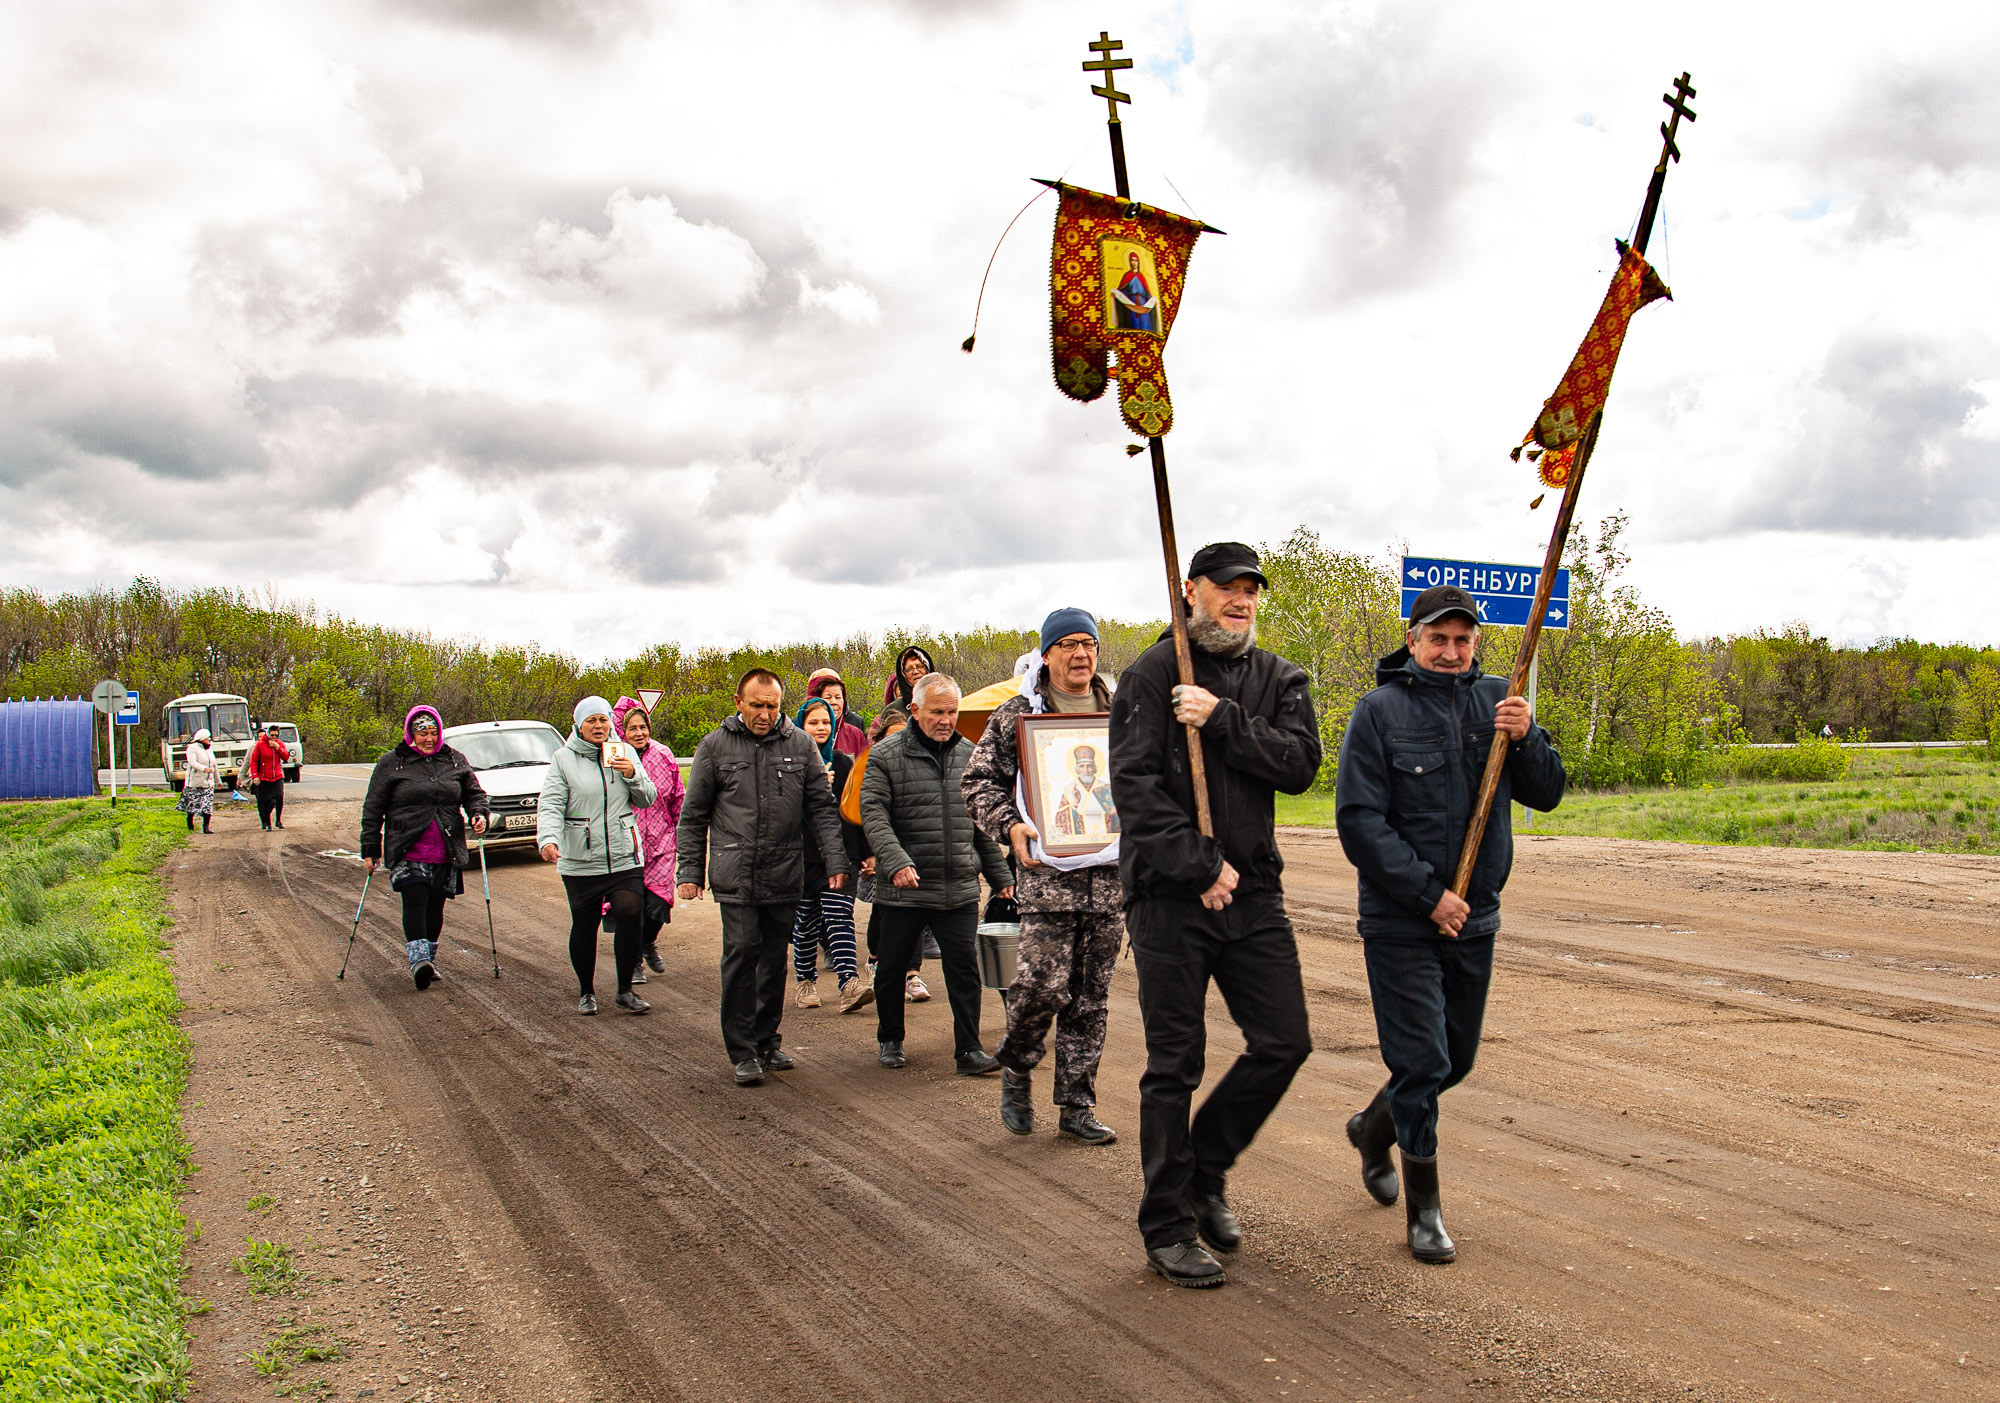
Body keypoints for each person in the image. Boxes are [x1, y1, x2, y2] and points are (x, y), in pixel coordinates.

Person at [1108, 542, 1322, 1289]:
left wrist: (1223, 717)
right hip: (1170, 898)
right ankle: (1166, 1225)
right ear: (1188, 590)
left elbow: (1299, 765)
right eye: (1226, 588)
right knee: (1175, 1062)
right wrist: (1197, 866)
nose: (1241, 599)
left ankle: (1205, 1168)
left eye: (1250, 590)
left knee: (1285, 1040)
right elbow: (1132, 789)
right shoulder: (1151, 672)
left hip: (1255, 892)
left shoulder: (1277, 678)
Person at [1335, 583, 1566, 1265]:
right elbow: (1359, 822)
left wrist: (1526, 739)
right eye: (1438, 638)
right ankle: (1425, 1211)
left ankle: (1374, 1127)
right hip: (1402, 921)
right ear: (1412, 641)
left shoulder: (1501, 701)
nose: (1451, 651)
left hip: (1477, 917)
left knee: (1453, 1059)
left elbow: (1548, 793)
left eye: (1462, 640)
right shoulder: (1377, 713)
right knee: (1421, 1060)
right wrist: (1428, 894)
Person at [962, 607, 1122, 1145]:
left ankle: (1078, 1106)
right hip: (1048, 878)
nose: (1081, 655)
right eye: (1069, 645)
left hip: (1109, 878)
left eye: (1089, 644)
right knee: (1039, 988)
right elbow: (978, 783)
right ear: (1047, 653)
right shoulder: (1018, 715)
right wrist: (1009, 827)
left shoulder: (1121, 710)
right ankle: (1018, 1065)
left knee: (1090, 997)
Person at [677, 669, 851, 1086]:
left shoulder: (800, 745)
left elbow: (823, 809)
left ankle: (767, 1041)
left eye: (772, 706)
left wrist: (836, 861)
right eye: (756, 705)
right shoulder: (715, 747)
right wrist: (689, 870)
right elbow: (693, 814)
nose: (765, 714)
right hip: (734, 870)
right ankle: (742, 1050)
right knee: (741, 954)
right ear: (739, 702)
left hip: (784, 870)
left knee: (774, 960)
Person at [861, 672, 1014, 1074]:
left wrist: (1001, 879)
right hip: (904, 887)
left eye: (952, 711)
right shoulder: (884, 755)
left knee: (964, 969)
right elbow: (874, 816)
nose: (946, 720)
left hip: (959, 885)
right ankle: (890, 1039)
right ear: (914, 710)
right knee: (893, 966)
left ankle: (968, 1050)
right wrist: (894, 862)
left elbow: (978, 823)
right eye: (937, 712)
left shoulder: (970, 754)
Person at [538, 696, 658, 1017]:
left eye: (603, 720)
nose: (598, 726)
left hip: (623, 853)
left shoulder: (625, 752)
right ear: (578, 725)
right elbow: (550, 803)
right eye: (591, 721)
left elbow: (647, 798)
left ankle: (624, 990)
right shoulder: (563, 759)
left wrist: (632, 772)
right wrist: (548, 838)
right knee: (585, 923)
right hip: (581, 857)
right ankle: (586, 991)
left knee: (631, 911)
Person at [360, 706, 492, 990]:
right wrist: (370, 847)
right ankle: (418, 960)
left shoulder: (455, 760)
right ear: (411, 734)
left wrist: (479, 813)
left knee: (435, 905)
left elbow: (474, 794)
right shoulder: (391, 763)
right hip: (407, 845)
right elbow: (373, 807)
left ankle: (428, 961)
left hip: (446, 846)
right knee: (415, 898)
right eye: (422, 733)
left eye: (433, 733)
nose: (429, 739)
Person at [790, 697, 873, 1014]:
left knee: (840, 918)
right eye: (813, 722)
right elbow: (783, 811)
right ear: (802, 726)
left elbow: (857, 809)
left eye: (826, 722)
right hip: (803, 856)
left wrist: (867, 852)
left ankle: (849, 984)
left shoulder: (842, 763)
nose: (821, 727)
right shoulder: (791, 763)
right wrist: (812, 786)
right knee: (807, 922)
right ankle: (805, 983)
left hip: (841, 855)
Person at [853, 708, 935, 1003]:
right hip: (883, 852)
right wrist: (870, 853)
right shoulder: (869, 765)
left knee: (916, 911)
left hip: (917, 850)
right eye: (893, 737)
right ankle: (876, 960)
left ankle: (911, 973)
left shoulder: (925, 763)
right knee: (883, 912)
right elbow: (860, 813)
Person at [609, 696, 686, 983]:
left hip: (662, 839)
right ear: (623, 732)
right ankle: (634, 960)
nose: (639, 733)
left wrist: (682, 830)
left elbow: (678, 795)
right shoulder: (615, 756)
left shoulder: (664, 754)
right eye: (632, 729)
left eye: (643, 727)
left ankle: (646, 941)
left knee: (659, 902)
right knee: (631, 904)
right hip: (627, 842)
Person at [806, 668, 869, 757]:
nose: (834, 702)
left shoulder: (856, 734)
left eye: (838, 697)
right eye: (828, 697)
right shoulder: (799, 732)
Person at [177, 728, 219, 834]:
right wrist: (203, 769)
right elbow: (192, 762)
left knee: (207, 805)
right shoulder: (192, 748)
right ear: (201, 739)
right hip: (195, 782)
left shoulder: (209, 749)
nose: (209, 739)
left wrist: (218, 780)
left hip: (208, 783)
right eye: (207, 738)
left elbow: (214, 765)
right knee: (193, 804)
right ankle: (190, 820)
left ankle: (206, 827)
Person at [248, 723, 288, 831]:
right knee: (266, 801)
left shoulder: (279, 744)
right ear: (268, 734)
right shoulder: (260, 745)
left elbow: (286, 757)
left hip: (277, 776)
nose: (274, 737)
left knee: (279, 797)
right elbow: (254, 761)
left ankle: (278, 820)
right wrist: (255, 776)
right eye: (272, 735)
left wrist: (278, 748)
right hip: (264, 777)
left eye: (276, 735)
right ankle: (267, 823)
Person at [880, 645, 935, 720]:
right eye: (909, 669)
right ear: (903, 675)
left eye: (919, 666)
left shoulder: (944, 701)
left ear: (928, 669)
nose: (915, 672)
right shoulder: (894, 710)